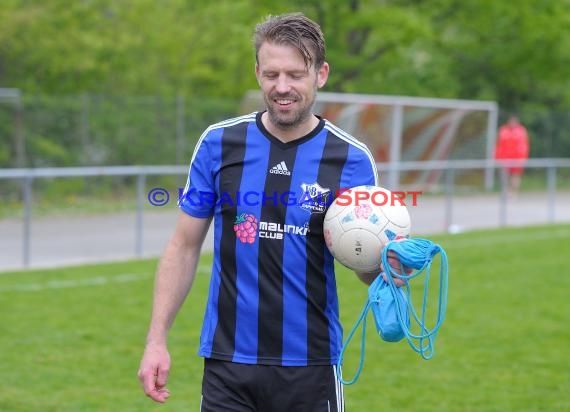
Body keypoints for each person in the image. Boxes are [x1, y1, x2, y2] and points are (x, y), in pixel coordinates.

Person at [138, 12, 405, 411]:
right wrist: (156, 340)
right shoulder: (219, 143)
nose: (282, 87)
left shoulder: (350, 158)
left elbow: (363, 260)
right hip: (228, 364)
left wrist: (387, 266)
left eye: (296, 74)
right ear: (258, 72)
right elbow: (183, 246)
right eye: (271, 74)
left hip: (310, 364)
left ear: (321, 74)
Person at [494, 115, 530, 196]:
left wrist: (522, 159)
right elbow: (499, 145)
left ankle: (514, 193)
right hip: (504, 158)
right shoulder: (504, 130)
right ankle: (505, 192)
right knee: (504, 175)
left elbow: (524, 146)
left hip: (517, 158)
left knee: (515, 176)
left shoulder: (521, 131)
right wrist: (498, 157)